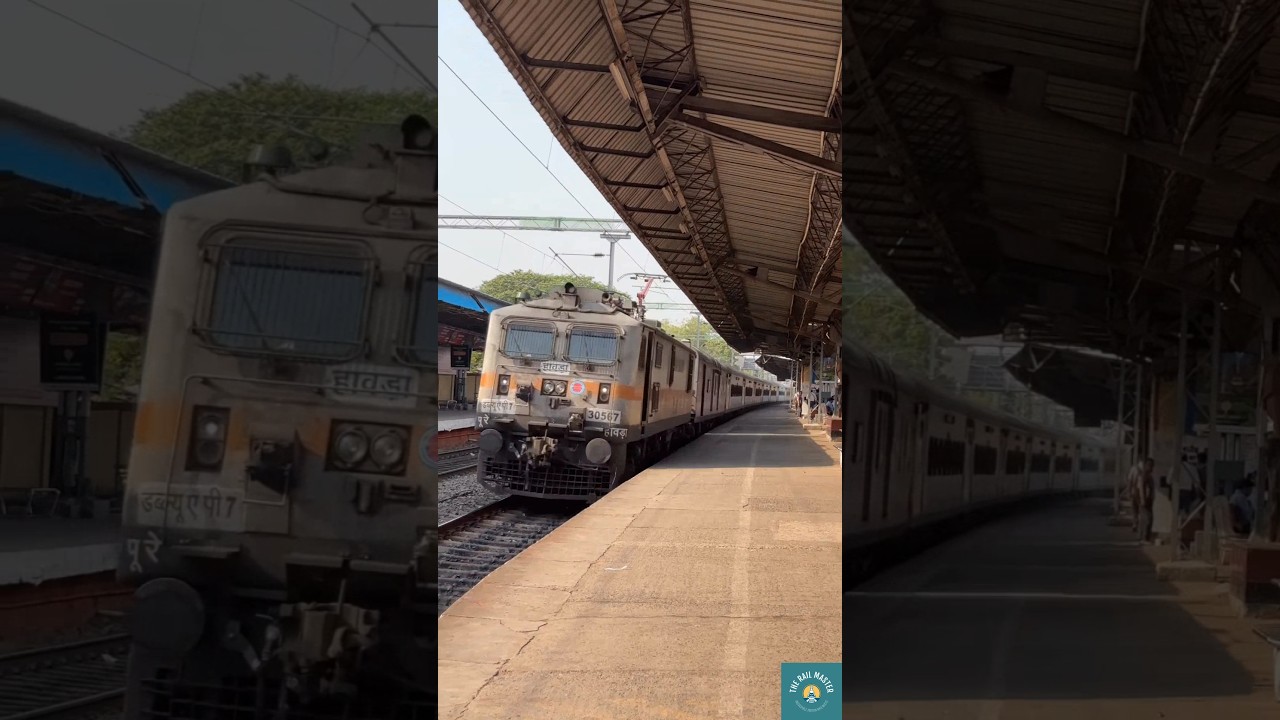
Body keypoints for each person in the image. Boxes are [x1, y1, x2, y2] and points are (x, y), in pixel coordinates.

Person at [1134, 457, 1155, 543]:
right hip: (1144, 500)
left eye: (1152, 465)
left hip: (1148, 500)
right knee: (1147, 519)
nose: (1151, 467)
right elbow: (1141, 488)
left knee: (1145, 518)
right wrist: (1142, 499)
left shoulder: (1149, 476)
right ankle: (1144, 537)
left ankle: (1142, 536)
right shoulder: (1144, 476)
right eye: (1149, 465)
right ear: (1145, 465)